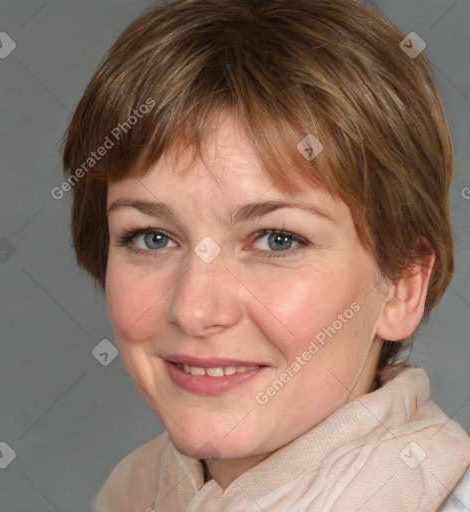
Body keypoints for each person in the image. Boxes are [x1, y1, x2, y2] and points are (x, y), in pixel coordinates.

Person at [61, 0, 470, 510]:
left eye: (278, 239)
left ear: (403, 284)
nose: (193, 309)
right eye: (152, 237)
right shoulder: (126, 494)